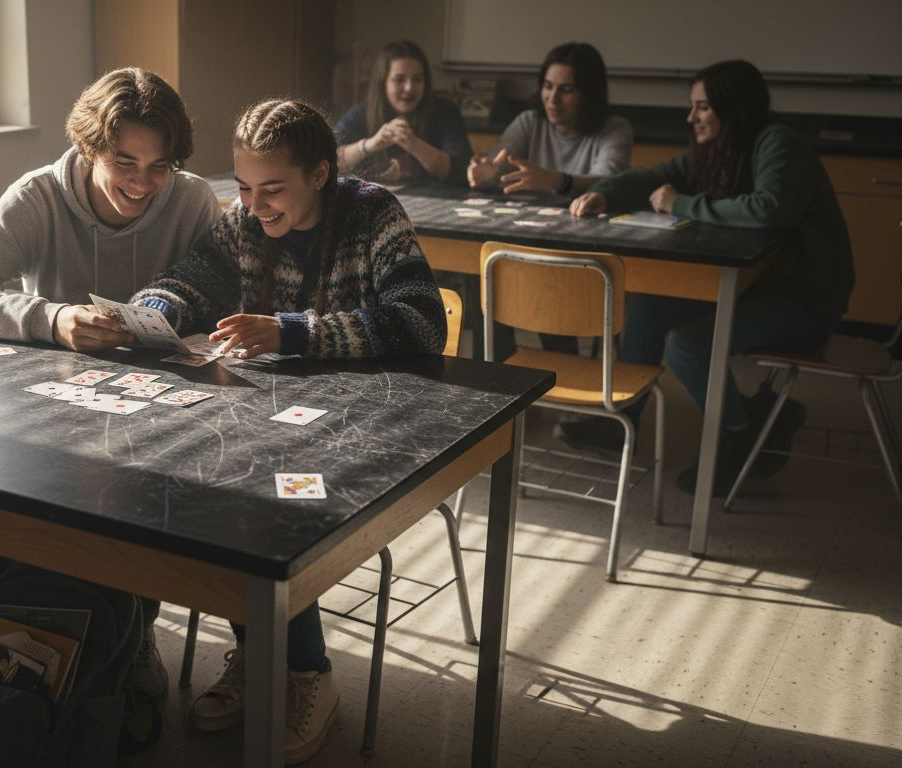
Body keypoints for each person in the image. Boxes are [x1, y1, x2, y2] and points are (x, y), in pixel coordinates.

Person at [131, 98, 446, 764]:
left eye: (272, 189)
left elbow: (421, 321)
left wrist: (293, 330)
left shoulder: (373, 213)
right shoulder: (242, 221)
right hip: (276, 420)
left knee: (255, 509)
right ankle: (258, 656)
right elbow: (192, 276)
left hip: (372, 425)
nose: (255, 204)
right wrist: (154, 310)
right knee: (204, 485)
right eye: (244, 188)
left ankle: (307, 675)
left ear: (322, 174)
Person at [0, 67, 222, 698]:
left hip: (165, 412)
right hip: (53, 409)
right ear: (88, 149)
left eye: (160, 165)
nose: (143, 184)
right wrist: (52, 318)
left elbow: (228, 294)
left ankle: (122, 624)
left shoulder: (194, 200)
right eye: (125, 162)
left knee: (152, 497)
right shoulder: (38, 196)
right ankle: (50, 623)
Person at [560, 59, 854, 495]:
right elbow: (655, 177)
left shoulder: (778, 143)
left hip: (805, 301)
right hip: (758, 287)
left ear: (731, 109)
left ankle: (737, 436)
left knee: (690, 346)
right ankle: (623, 421)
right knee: (648, 310)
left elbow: (768, 208)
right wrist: (605, 192)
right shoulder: (719, 148)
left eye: (701, 107)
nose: (690, 117)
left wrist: (680, 204)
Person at [466, 41, 634, 359]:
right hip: (528, 246)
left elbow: (612, 180)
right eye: (547, 86)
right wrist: (484, 172)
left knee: (550, 300)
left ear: (589, 93)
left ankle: (562, 376)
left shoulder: (615, 129)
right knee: (482, 272)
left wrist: (557, 181)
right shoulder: (530, 121)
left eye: (566, 90)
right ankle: (494, 377)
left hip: (584, 260)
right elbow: (496, 160)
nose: (552, 99)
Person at [334, 40, 473, 186]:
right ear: (383, 82)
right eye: (399, 79)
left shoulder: (445, 111)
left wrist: (413, 144)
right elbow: (326, 160)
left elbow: (462, 170)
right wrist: (369, 145)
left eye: (417, 79)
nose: (409, 88)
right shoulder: (362, 113)